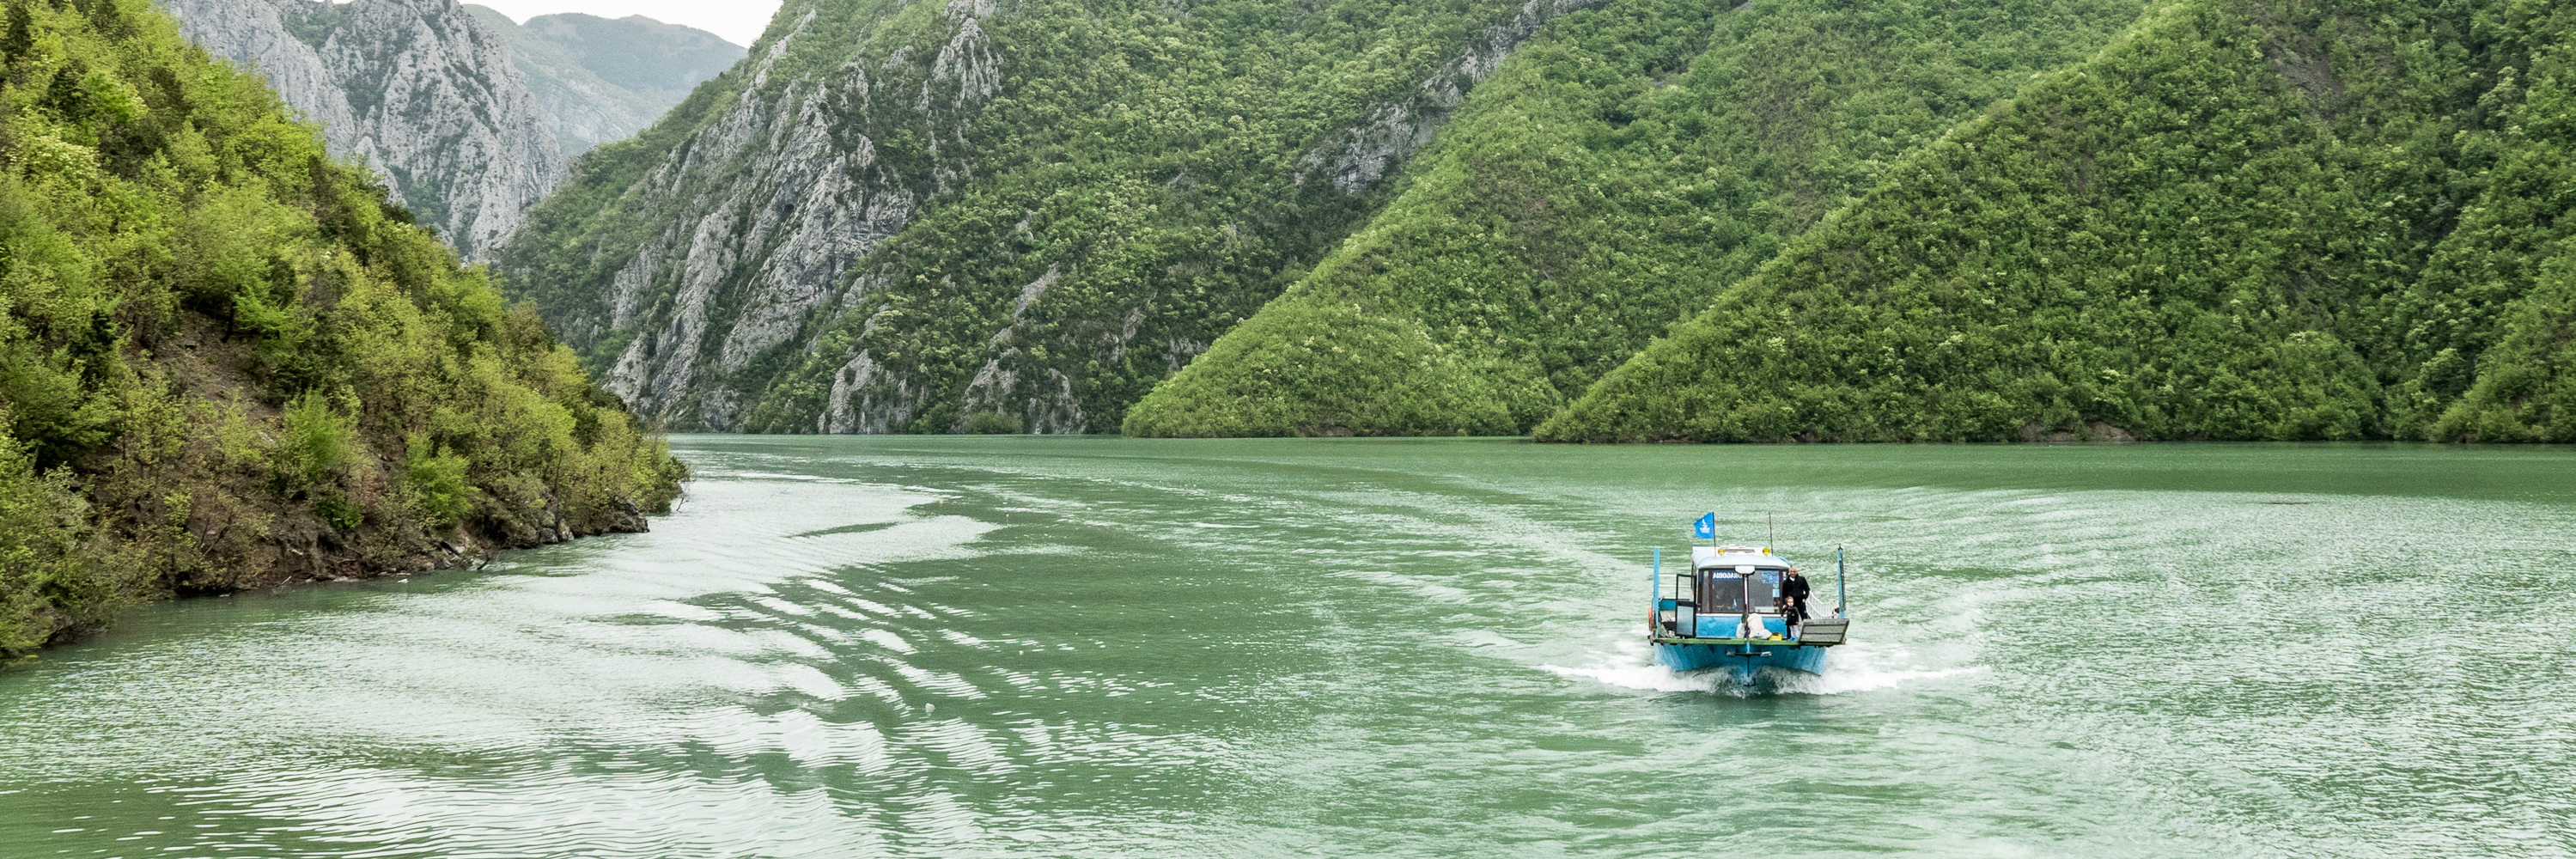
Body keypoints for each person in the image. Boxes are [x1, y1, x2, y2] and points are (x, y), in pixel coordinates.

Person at [1781, 568, 1812, 639]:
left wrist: (1805, 597)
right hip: (1791, 603)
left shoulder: (1801, 579)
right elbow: (1783, 593)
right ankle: (1790, 636)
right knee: (1790, 620)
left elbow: (1807, 589)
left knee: (1804, 617)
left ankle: (1806, 635)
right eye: (1791, 571)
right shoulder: (1786, 582)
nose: (1793, 573)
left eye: (1794, 571)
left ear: (1796, 572)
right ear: (1789, 572)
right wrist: (1784, 603)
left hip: (1800, 601)